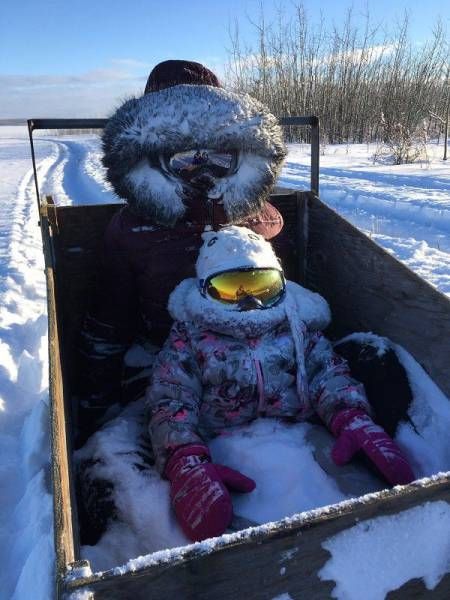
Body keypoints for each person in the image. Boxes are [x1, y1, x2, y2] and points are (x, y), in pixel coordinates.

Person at [146, 226, 415, 542]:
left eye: (263, 287)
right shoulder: (190, 339)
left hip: (299, 436)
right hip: (221, 442)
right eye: (233, 289)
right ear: (206, 289)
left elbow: (327, 372)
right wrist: (185, 459)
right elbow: (171, 398)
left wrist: (352, 416)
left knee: (359, 507)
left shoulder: (295, 329)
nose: (251, 303)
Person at [78, 59, 289, 437]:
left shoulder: (258, 216)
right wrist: (96, 408)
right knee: (119, 451)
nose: (202, 171)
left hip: (252, 357)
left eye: (218, 156)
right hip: (162, 365)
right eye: (186, 159)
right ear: (153, 157)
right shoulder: (131, 230)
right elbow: (108, 324)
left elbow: (286, 296)